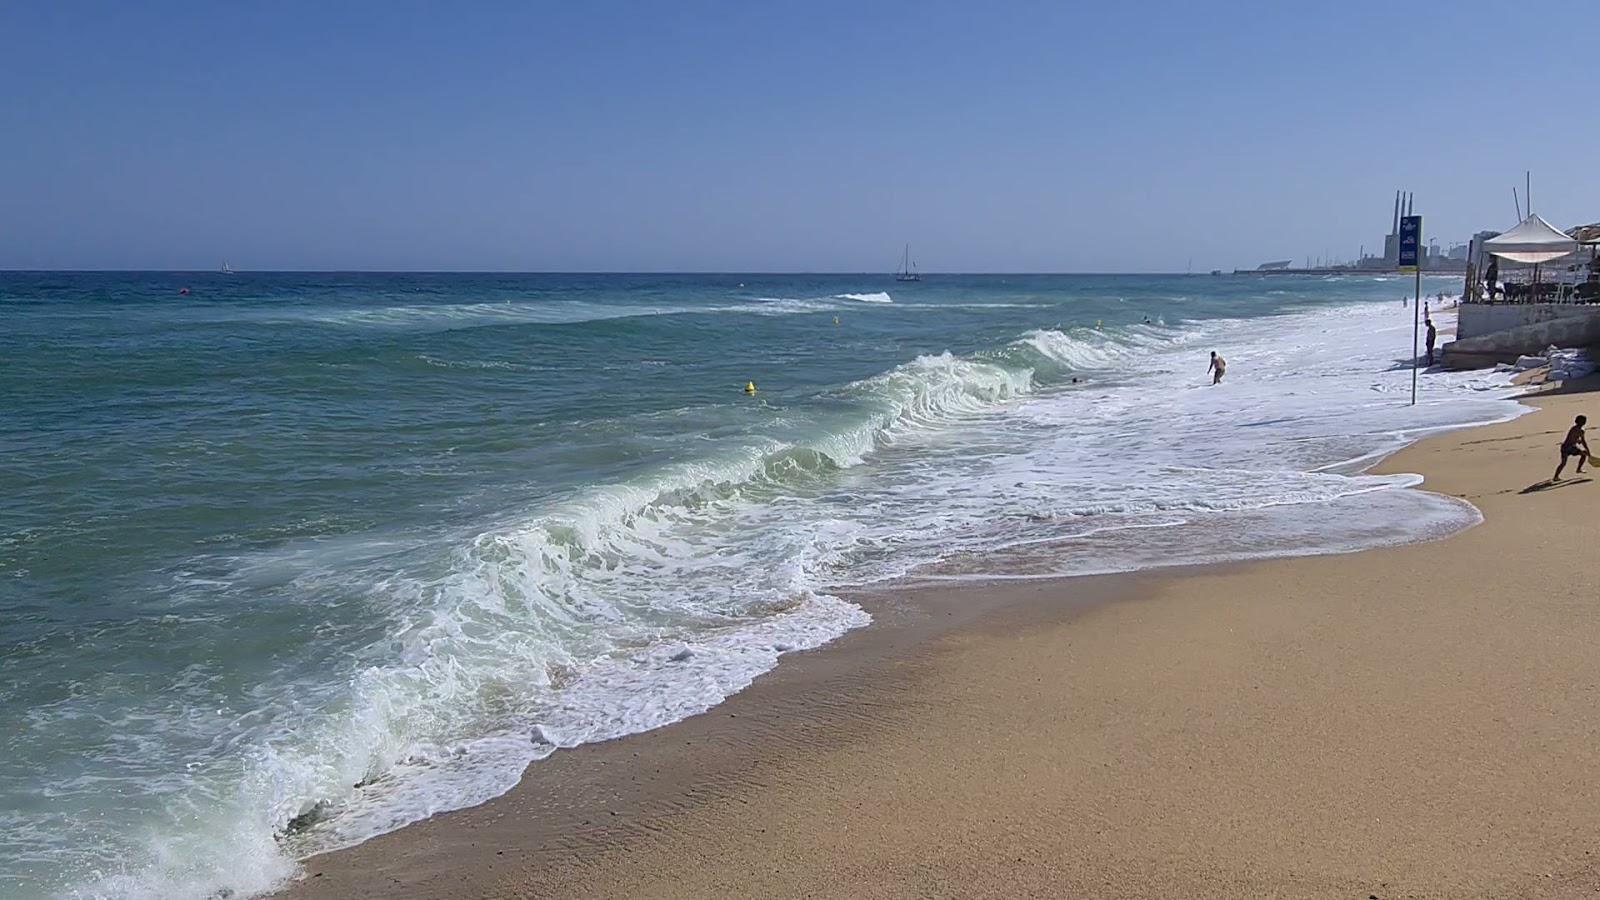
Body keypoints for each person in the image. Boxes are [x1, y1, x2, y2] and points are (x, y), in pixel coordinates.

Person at [1554, 415, 1590, 481]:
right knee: (1584, 454)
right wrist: (1588, 451)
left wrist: (1577, 440)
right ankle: (1578, 469)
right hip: (1569, 447)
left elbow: (1572, 437)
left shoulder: (1573, 428)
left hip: (1565, 447)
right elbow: (1583, 441)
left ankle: (1556, 477)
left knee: (1563, 463)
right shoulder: (1580, 430)